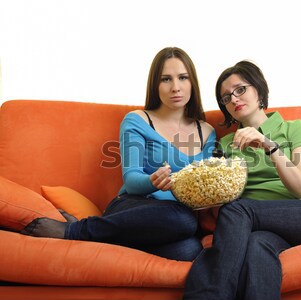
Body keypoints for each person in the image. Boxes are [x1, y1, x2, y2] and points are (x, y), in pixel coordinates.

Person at [20, 47, 216, 261]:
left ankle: (103, 237)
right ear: (155, 85)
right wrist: (152, 181)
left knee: (189, 250)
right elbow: (131, 181)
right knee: (184, 220)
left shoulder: (206, 131)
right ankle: (74, 231)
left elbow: (205, 185)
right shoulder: (137, 120)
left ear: (192, 82)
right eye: (166, 79)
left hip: (169, 223)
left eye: (183, 78)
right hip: (135, 206)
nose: (175, 87)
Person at [183, 61, 301, 299]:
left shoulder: (293, 128)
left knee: (239, 209)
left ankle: (212, 294)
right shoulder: (226, 144)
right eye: (226, 97)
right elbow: (222, 197)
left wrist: (269, 146)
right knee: (257, 247)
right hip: (260, 229)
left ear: (259, 89)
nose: (234, 99)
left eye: (240, 89)